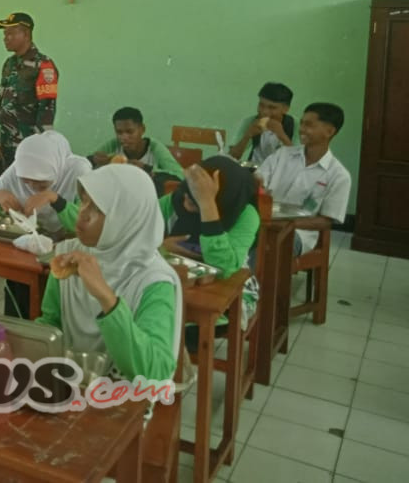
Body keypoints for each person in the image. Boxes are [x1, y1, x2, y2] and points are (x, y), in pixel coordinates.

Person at [36, 164, 182, 383]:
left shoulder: (152, 280)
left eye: (97, 209)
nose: (82, 214)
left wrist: (106, 298)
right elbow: (51, 323)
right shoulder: (68, 254)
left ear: (126, 217)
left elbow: (155, 371)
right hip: (70, 383)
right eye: (84, 201)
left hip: (126, 398)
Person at [0, 130, 91, 317]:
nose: (32, 188)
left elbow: (87, 224)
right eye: (26, 182)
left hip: (65, 254)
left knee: (52, 306)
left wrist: (55, 200)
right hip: (25, 250)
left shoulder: (78, 172)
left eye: (41, 185)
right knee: (18, 294)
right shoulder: (16, 171)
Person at [161, 157, 260, 329]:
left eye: (196, 196)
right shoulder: (174, 200)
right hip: (180, 281)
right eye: (188, 190)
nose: (186, 200)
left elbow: (224, 267)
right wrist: (161, 247)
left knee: (188, 328)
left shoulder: (246, 215)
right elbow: (136, 239)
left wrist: (207, 205)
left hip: (231, 292)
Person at [258, 103, 351, 256]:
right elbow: (258, 180)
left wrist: (286, 225)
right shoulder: (283, 155)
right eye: (301, 123)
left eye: (309, 125)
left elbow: (326, 221)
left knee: (270, 244)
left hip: (299, 234)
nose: (301, 129)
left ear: (329, 131)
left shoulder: (339, 175)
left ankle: (256, 279)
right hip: (264, 222)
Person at [0, 12, 58, 168]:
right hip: (7, 144)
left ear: (26, 34)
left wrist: (38, 147)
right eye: (4, 34)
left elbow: (47, 111)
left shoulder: (43, 65)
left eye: (11, 33)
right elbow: (1, 103)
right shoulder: (9, 64)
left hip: (28, 146)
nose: (5, 38)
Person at [91, 107, 184, 183]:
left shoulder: (155, 148)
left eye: (130, 131)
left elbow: (180, 176)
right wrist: (94, 160)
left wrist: (146, 168)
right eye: (119, 132)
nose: (124, 137)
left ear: (142, 129)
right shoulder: (114, 145)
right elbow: (85, 164)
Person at [229, 82, 295, 165]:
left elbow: (300, 160)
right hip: (253, 171)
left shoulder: (296, 125)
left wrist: (282, 135)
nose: (264, 112)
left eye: (272, 107)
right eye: (261, 105)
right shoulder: (250, 121)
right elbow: (231, 157)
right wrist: (247, 135)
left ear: (285, 109)